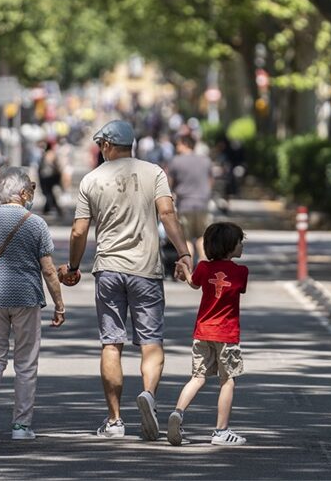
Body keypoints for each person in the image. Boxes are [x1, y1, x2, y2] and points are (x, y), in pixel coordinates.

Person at [58, 119, 192, 441]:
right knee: (151, 341)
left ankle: (115, 420)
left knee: (111, 343)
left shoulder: (92, 179)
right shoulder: (153, 172)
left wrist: (74, 266)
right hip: (146, 269)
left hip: (108, 270)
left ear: (106, 145)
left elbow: (79, 230)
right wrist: (184, 254)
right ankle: (147, 394)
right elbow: (168, 215)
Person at [0, 166, 66, 440]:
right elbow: (48, 269)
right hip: (26, 298)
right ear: (21, 193)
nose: (32, 193)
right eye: (30, 189)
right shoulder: (36, 224)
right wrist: (59, 303)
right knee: (26, 362)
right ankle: (21, 425)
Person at [169, 222, 249, 447]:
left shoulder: (204, 268)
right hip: (227, 335)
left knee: (198, 377)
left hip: (202, 332)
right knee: (227, 380)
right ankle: (221, 431)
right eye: (240, 242)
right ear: (230, 246)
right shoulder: (241, 272)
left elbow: (194, 283)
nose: (242, 246)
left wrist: (184, 268)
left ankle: (178, 412)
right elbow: (238, 288)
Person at [167, 135, 213, 263]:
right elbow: (210, 181)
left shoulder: (176, 161)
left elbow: (169, 184)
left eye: (178, 144)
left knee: (186, 238)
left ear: (185, 144)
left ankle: (188, 267)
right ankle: (203, 264)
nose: (177, 147)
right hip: (203, 204)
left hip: (184, 204)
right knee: (201, 236)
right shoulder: (206, 160)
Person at [37, 141, 63, 217]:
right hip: (50, 176)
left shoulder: (47, 154)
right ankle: (50, 209)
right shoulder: (51, 154)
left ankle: (49, 209)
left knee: (48, 193)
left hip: (47, 177)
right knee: (49, 193)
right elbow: (57, 166)